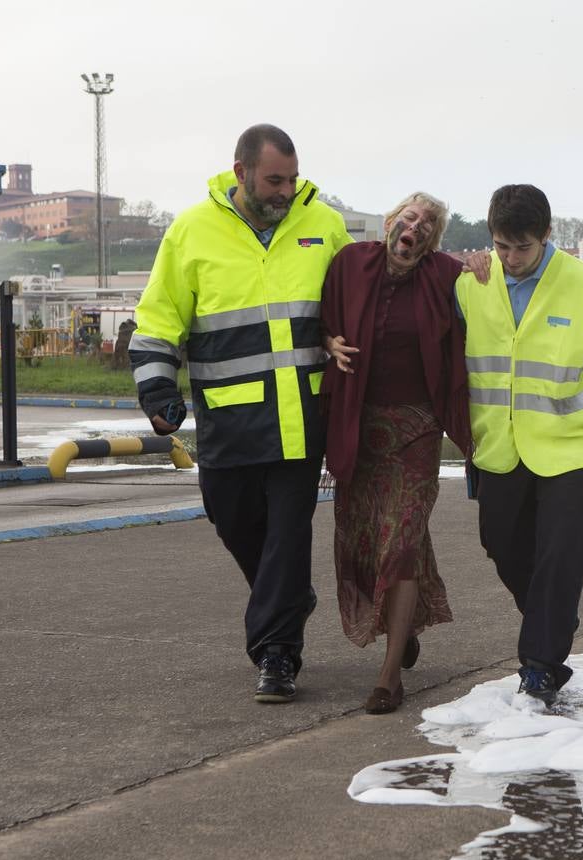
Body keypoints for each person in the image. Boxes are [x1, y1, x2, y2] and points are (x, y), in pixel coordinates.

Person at [128, 124, 351, 703]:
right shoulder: (190, 232)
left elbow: (361, 299)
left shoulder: (322, 224)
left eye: (292, 180)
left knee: (287, 536)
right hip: (228, 421)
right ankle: (290, 600)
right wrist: (157, 394)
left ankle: (276, 653)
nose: (285, 192)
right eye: (274, 180)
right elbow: (157, 323)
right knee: (233, 521)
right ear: (241, 172)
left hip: (303, 418)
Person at [455, 184, 583, 707]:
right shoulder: (473, 283)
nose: (510, 258)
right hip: (500, 445)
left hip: (574, 445)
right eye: (501, 246)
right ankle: (555, 616)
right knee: (500, 544)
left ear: (547, 236)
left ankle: (540, 666)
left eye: (521, 247)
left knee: (559, 555)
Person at [320, 192, 486, 714]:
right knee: (369, 542)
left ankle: (390, 675)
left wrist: (482, 263)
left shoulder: (443, 275)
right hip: (360, 428)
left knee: (402, 543)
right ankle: (404, 627)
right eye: (410, 217)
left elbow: (488, 280)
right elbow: (321, 318)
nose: (417, 227)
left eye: (429, 224)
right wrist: (329, 344)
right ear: (391, 223)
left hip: (417, 431)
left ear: (433, 241)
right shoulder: (349, 263)